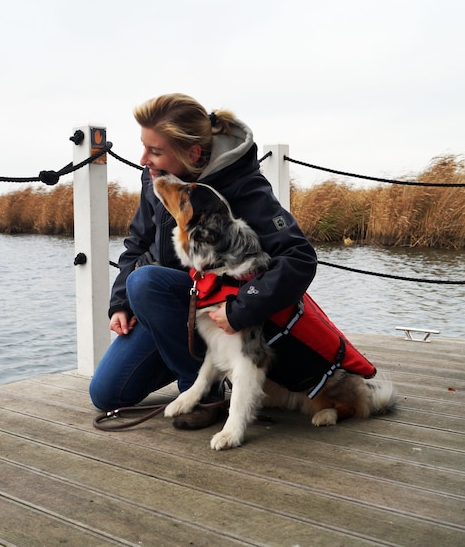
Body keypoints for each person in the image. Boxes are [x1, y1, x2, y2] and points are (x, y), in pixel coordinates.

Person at [88, 93, 317, 429]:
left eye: (155, 151)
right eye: (143, 146)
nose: (142, 160)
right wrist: (121, 302)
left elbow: (299, 257)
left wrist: (241, 309)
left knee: (145, 281)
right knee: (106, 394)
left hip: (220, 313)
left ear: (192, 153)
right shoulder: (154, 177)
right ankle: (184, 358)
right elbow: (137, 242)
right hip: (169, 308)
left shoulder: (244, 183)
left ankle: (204, 392)